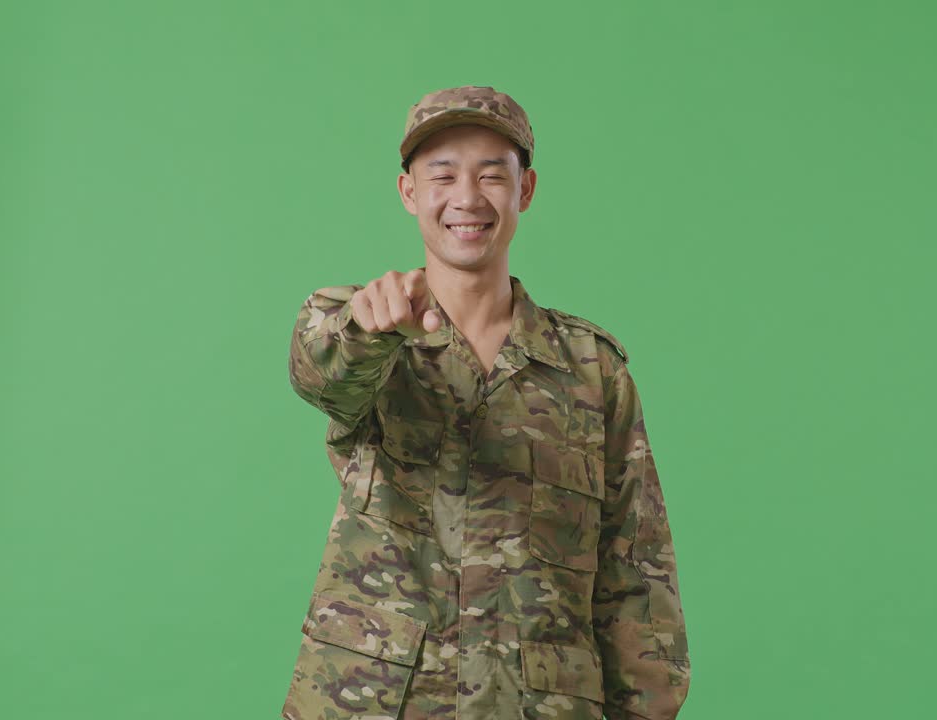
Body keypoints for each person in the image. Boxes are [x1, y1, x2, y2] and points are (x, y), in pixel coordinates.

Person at [281, 85, 690, 720]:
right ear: (409, 193)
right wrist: (368, 333)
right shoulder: (363, 327)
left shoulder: (590, 367)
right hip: (377, 700)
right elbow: (323, 374)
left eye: (491, 175)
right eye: (442, 175)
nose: (466, 198)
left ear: (524, 191)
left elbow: (634, 569)